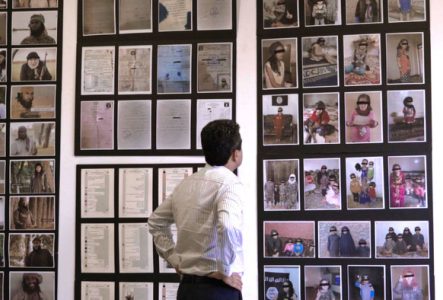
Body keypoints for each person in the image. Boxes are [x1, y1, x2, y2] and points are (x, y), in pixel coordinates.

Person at [148, 119, 243, 299]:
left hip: (187, 290)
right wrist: (225, 271)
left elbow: (155, 222)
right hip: (218, 290)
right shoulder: (230, 183)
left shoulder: (185, 184)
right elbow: (228, 225)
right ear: (235, 153)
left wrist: (175, 260)